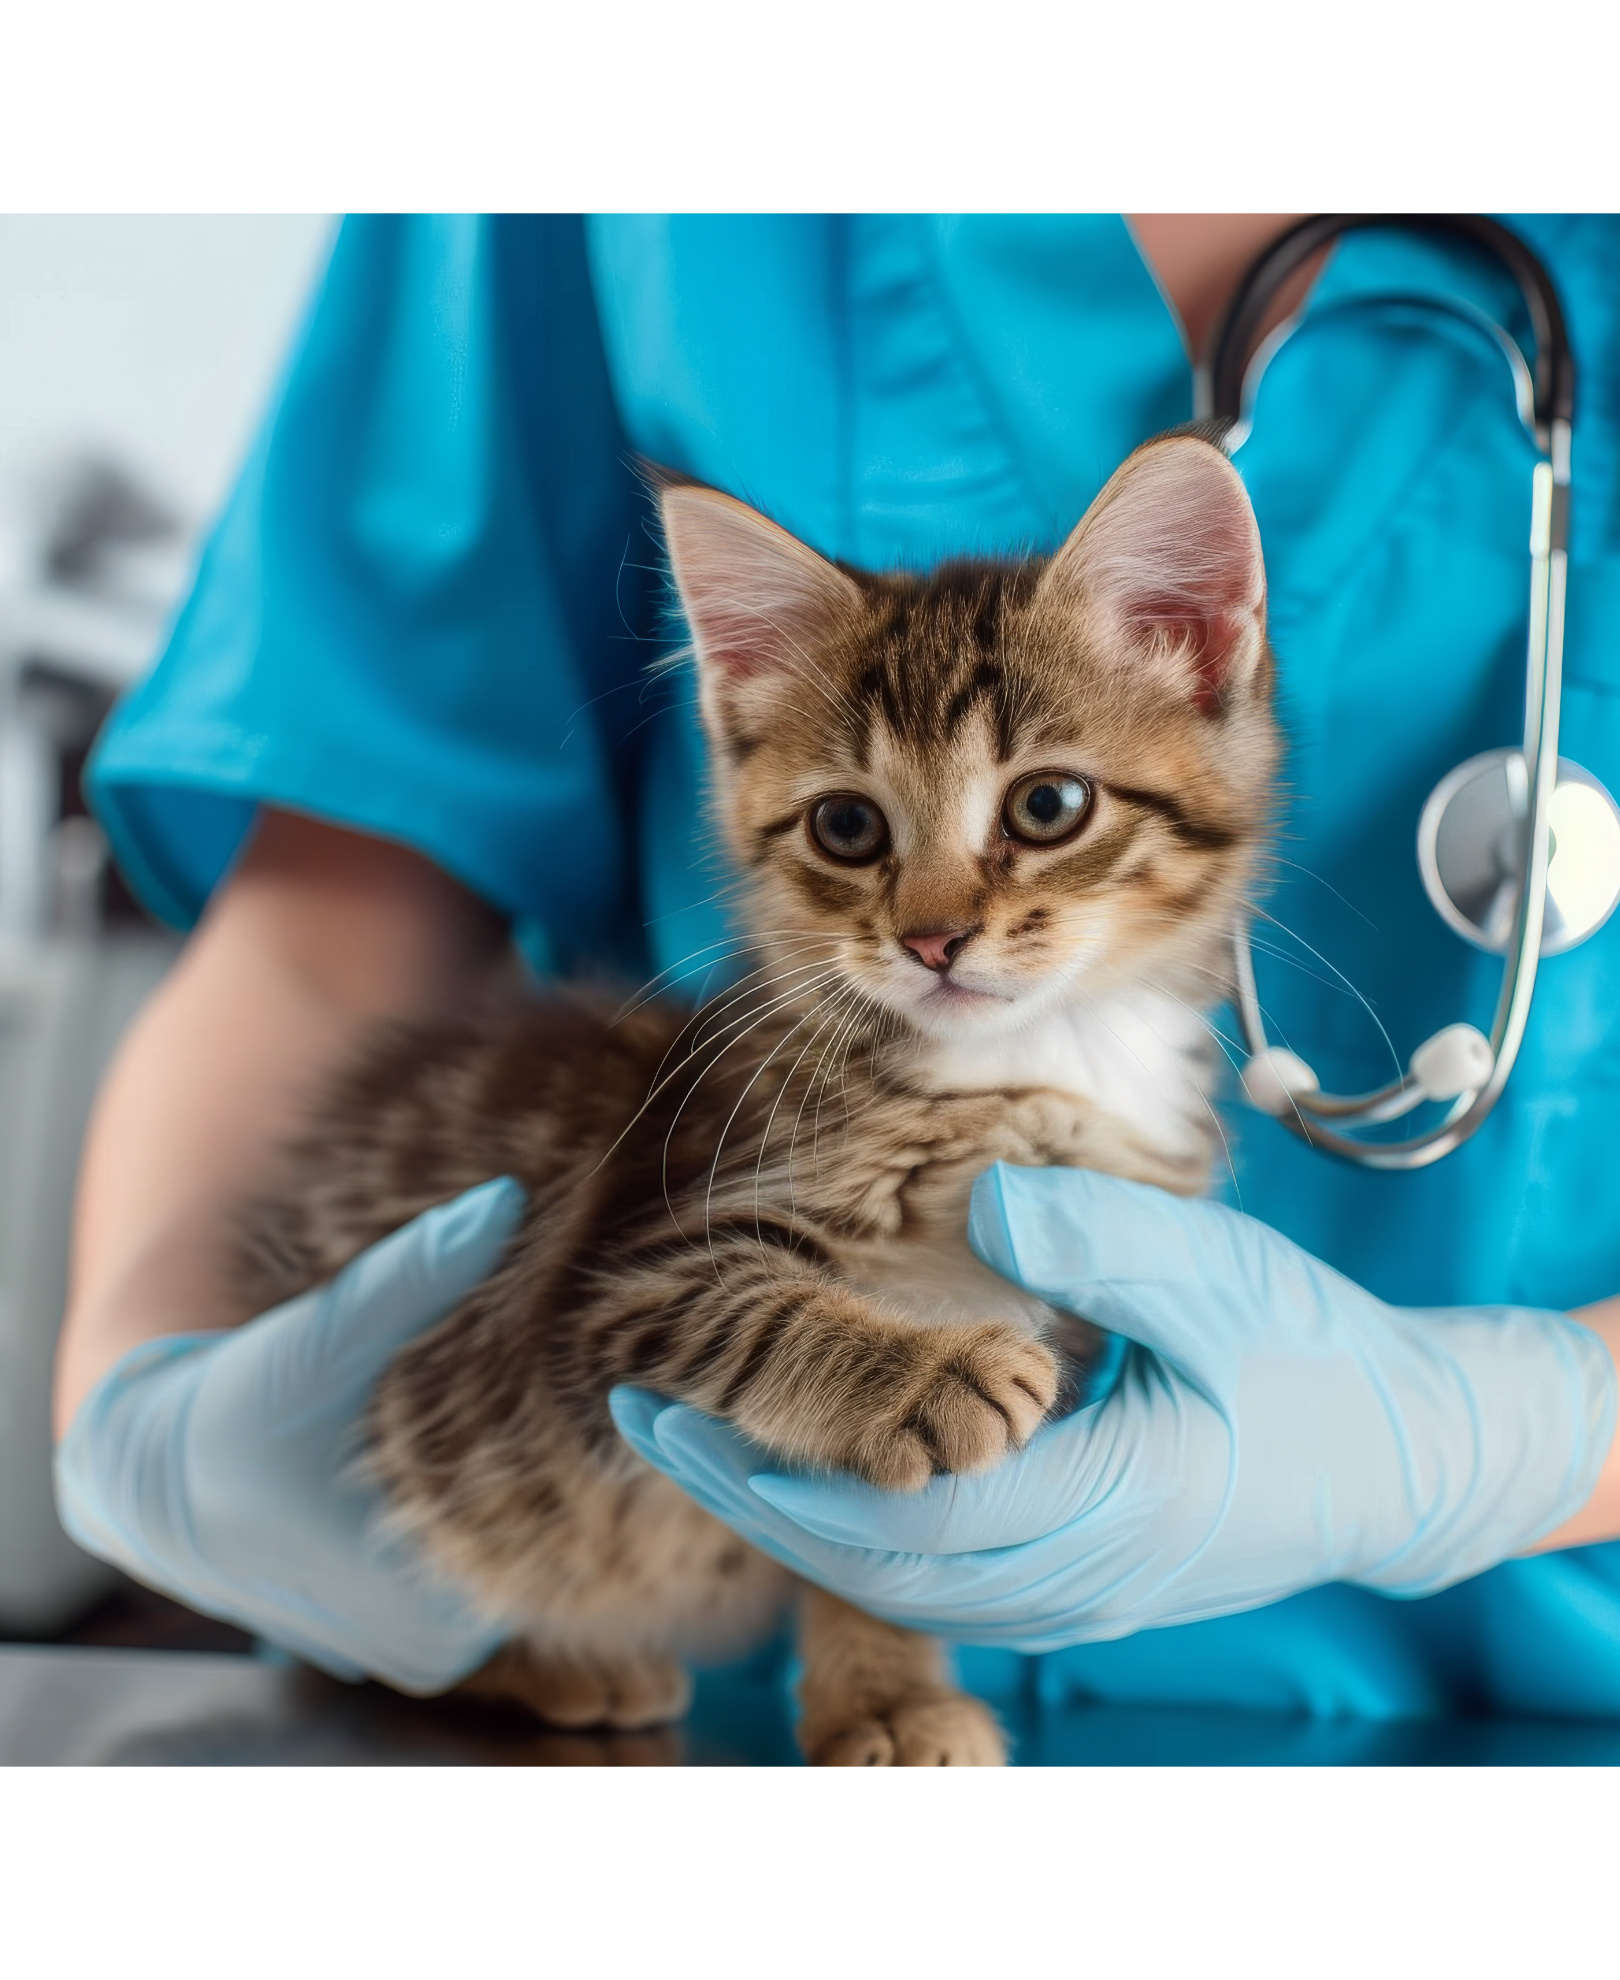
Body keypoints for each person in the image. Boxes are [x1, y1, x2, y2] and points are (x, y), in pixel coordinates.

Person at [52, 215, 1620, 1731]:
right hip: (703, 1728)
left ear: (1201, 653)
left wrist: (1517, 1434)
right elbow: (327, 931)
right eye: (858, 827)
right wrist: (137, 1388)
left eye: (1046, 809)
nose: (935, 917)